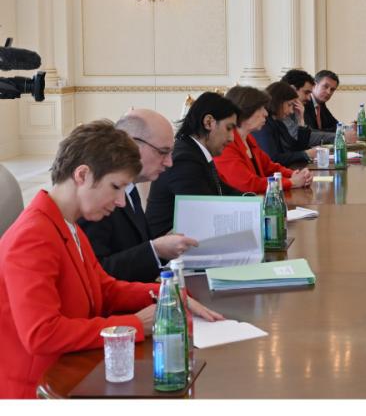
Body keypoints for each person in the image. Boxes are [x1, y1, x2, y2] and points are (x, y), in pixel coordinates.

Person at [0, 120, 222, 399]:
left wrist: (168, 294)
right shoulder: (32, 236)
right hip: (39, 388)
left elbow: (103, 288)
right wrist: (134, 325)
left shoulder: (67, 224)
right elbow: (42, 333)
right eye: (115, 186)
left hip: (76, 370)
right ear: (82, 175)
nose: (120, 201)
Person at [78, 109, 200, 283]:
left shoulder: (131, 190)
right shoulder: (96, 194)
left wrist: (162, 247)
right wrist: (156, 250)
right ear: (132, 144)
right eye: (162, 152)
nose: (169, 162)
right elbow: (96, 272)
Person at [145, 92, 241, 238]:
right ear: (208, 122)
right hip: (169, 248)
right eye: (229, 128)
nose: (231, 138)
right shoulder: (184, 159)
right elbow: (205, 214)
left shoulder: (195, 152)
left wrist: (257, 200)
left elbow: (225, 192)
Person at [215, 85, 313, 194]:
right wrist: (291, 182)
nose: (266, 113)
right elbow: (249, 184)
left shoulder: (248, 138)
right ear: (245, 111)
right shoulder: (226, 144)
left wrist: (294, 174)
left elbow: (269, 167)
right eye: (260, 109)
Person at [252, 81, 317, 167]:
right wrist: (304, 154)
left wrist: (301, 120)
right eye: (289, 105)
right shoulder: (264, 125)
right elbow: (273, 159)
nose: (291, 111)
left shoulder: (278, 122)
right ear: (278, 102)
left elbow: (297, 149)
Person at [280, 69, 339, 146]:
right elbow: (300, 136)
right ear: (292, 89)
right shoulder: (280, 111)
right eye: (306, 93)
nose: (308, 98)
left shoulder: (319, 104)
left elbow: (335, 125)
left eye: (332, 90)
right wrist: (339, 136)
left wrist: (345, 130)